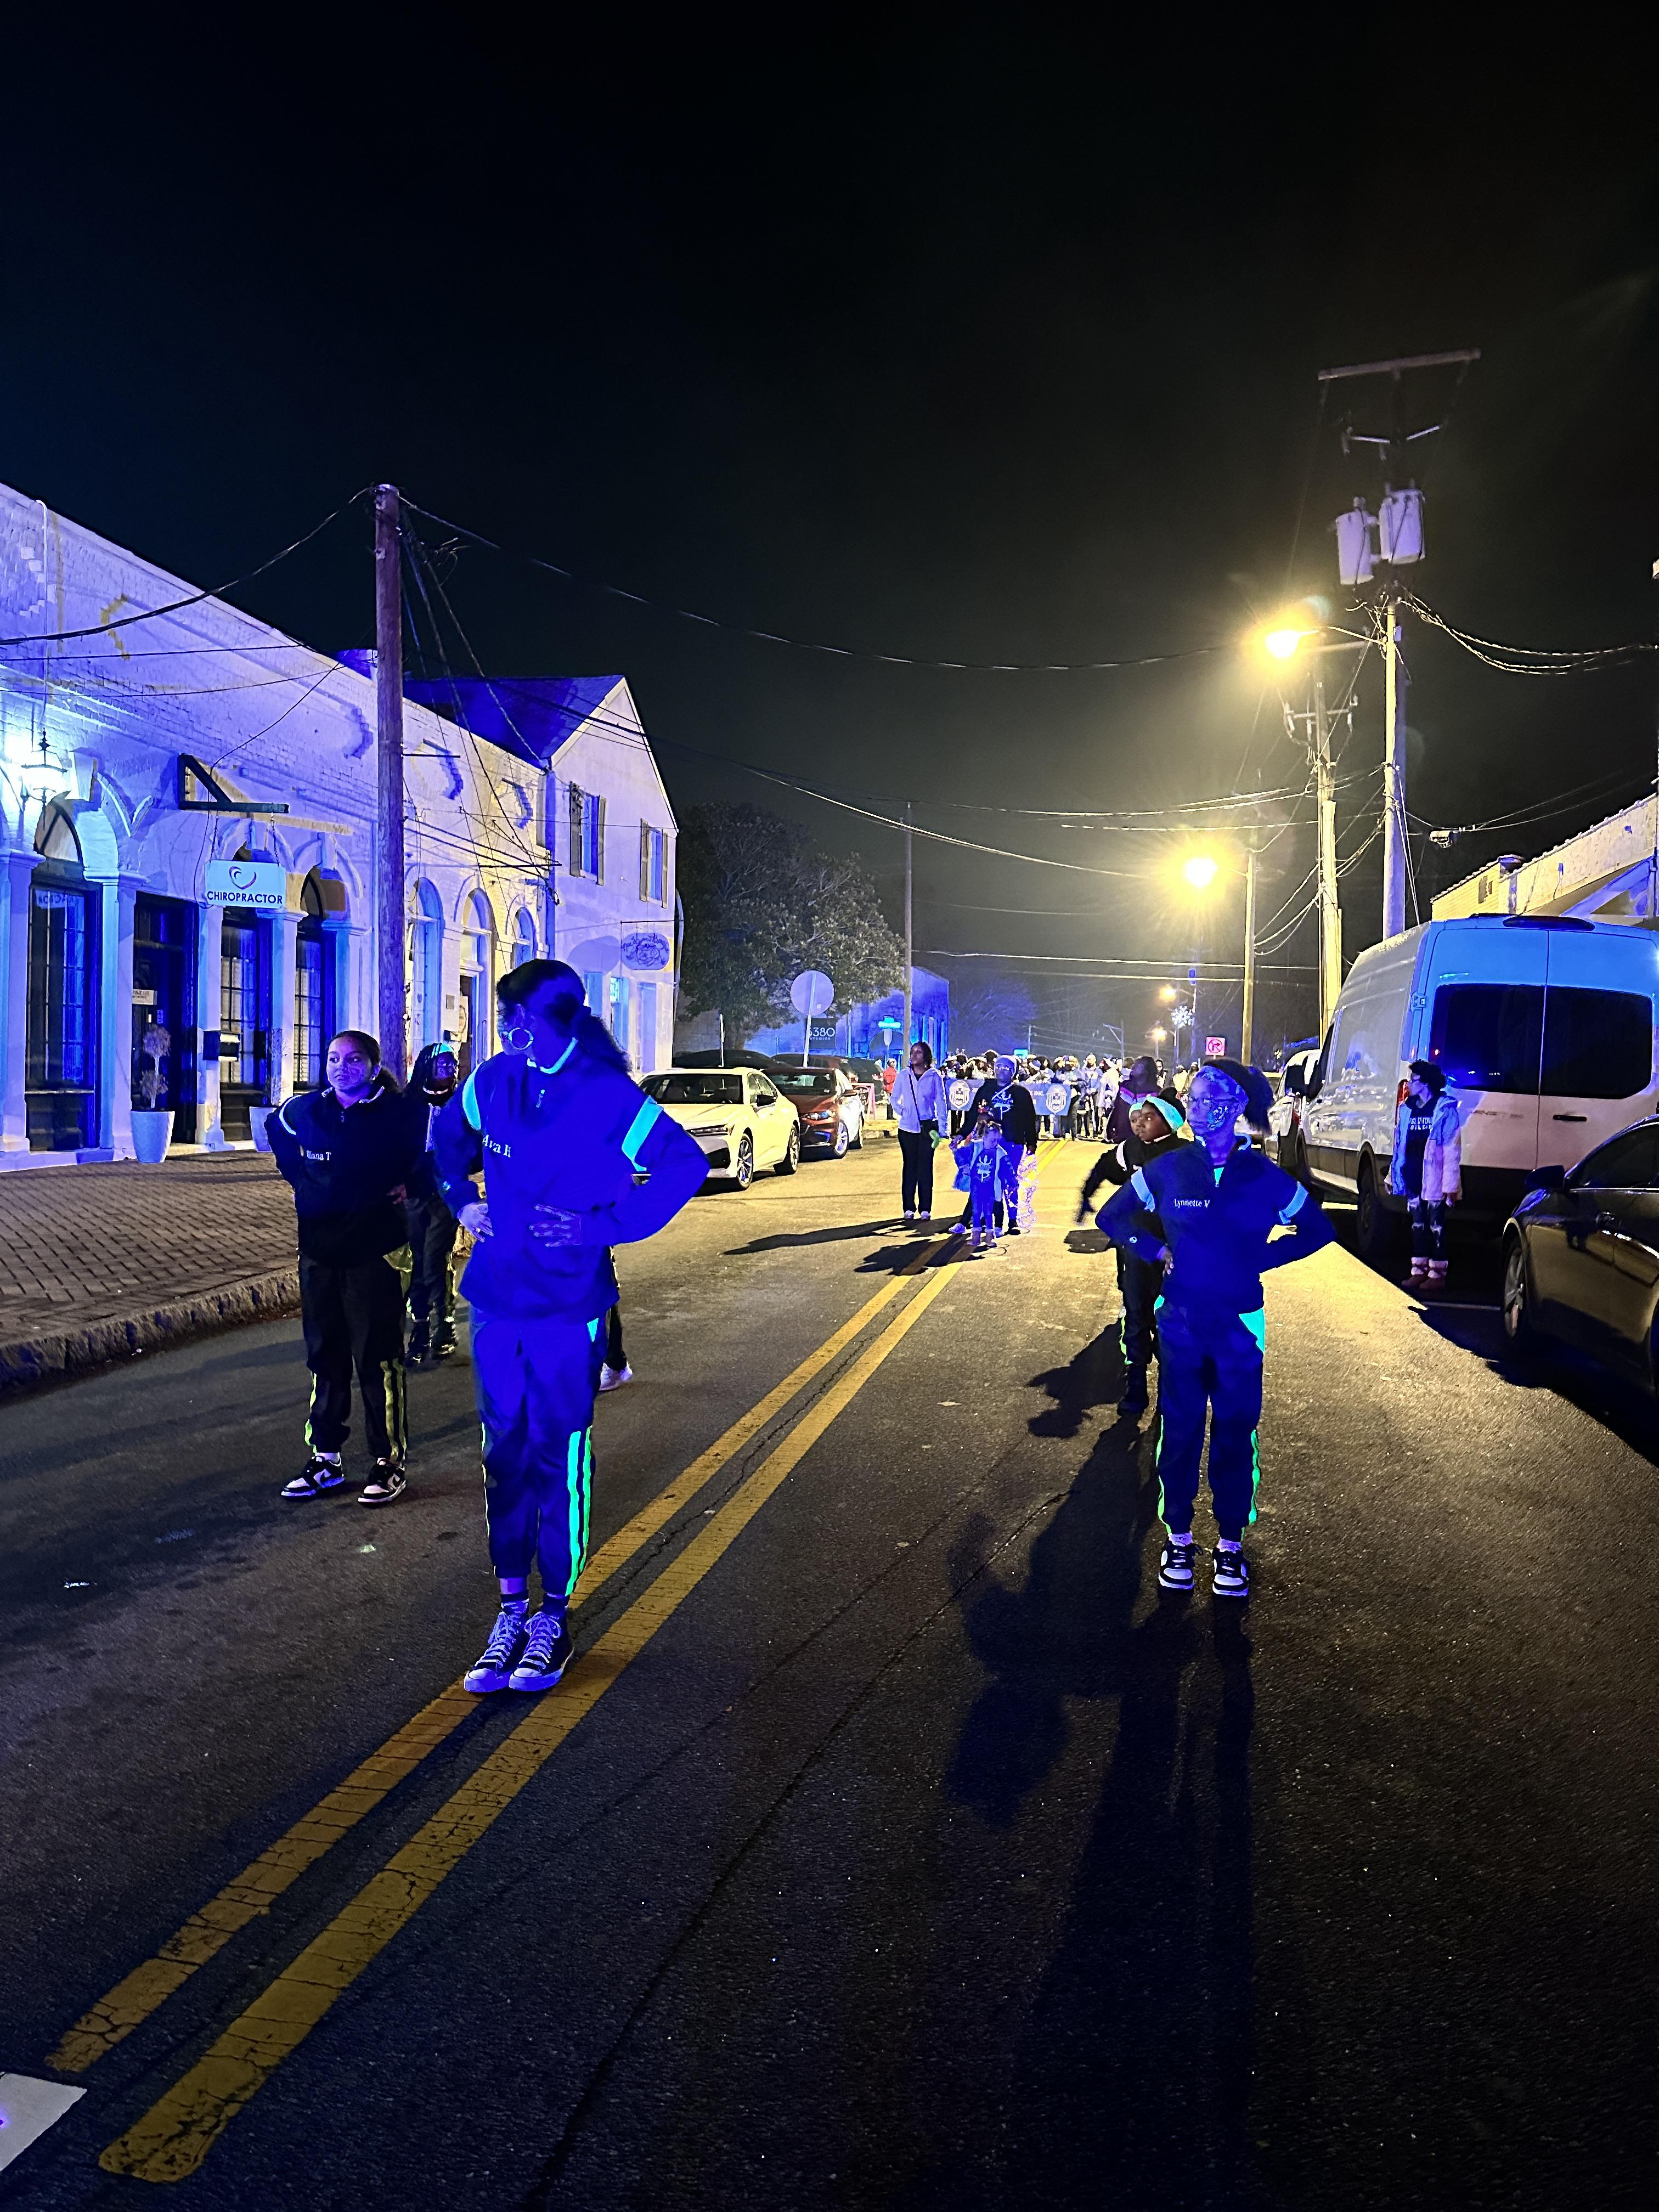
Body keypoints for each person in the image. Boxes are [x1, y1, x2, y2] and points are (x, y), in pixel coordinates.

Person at [434, 960, 707, 1695]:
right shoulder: (492, 1081)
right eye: (503, 1015)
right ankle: (509, 1610)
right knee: (502, 1454)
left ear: (554, 1018)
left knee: (557, 1454)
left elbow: (682, 1165)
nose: (504, 1028)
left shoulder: (606, 1093)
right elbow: (446, 1141)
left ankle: (553, 1615)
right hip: (497, 1299)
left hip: (566, 1307)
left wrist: (599, 1227)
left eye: (516, 1016)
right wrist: (462, 1201)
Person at [1096, 1058, 1334, 1601]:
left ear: (1236, 1108)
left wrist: (1263, 1259)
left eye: (1208, 1100)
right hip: (1180, 1321)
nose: (1196, 1109)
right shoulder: (1170, 1168)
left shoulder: (1264, 1176)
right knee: (1179, 1431)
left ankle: (1230, 1545)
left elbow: (1318, 1229)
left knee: (1235, 1432)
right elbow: (1113, 1217)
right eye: (1194, 1099)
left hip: (1240, 1324)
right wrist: (1156, 1250)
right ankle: (1178, 1539)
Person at [267, 1030, 429, 1506]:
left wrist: (413, 1183)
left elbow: (444, 1153)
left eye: (354, 1059)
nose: (342, 1068)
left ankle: (389, 1460)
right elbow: (277, 1128)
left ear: (374, 1067)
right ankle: (326, 1459)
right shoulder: (309, 1110)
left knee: (377, 1358)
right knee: (325, 1355)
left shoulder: (400, 1113)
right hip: (319, 1253)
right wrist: (300, 1179)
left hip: (376, 1251)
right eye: (334, 1059)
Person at [1079, 1089, 1186, 1414]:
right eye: (1136, 1119)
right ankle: (1136, 1384)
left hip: (1175, 1254)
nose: (1139, 1124)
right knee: (1136, 1315)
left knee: (1172, 1320)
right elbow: (1104, 1167)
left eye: (1148, 1118)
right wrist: (1087, 1195)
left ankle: (1171, 1386)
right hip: (1137, 1250)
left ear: (1169, 1122)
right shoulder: (1130, 1150)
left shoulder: (1187, 1154)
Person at [405, 1041, 462, 1365]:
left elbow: (474, 1146)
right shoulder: (408, 1103)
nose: (450, 1069)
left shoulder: (460, 1103)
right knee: (416, 1259)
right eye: (443, 1064)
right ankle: (420, 1325)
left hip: (446, 1192)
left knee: (435, 1257)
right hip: (412, 1194)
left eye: (453, 1064)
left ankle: (445, 1324)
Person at [949, 1053, 1039, 1237]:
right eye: (999, 1067)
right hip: (988, 1143)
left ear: (1013, 1071)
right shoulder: (986, 1089)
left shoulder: (1021, 1093)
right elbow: (973, 1115)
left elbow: (1030, 1120)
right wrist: (961, 1134)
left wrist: (1031, 1143)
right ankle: (981, 1218)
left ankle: (1012, 1220)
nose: (1001, 1071)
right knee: (983, 1179)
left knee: (1009, 1182)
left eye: (1006, 1068)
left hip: (1012, 1144)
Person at [1390, 1059, 1462, 1286]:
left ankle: (1437, 1273)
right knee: (1418, 1225)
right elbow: (1399, 1145)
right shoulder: (1407, 1109)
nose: (1409, 1084)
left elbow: (1452, 1149)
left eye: (1414, 1080)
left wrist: (1450, 1186)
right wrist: (1393, 1176)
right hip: (1413, 1176)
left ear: (1426, 1083)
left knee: (1436, 1226)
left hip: (1434, 1179)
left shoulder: (1444, 1110)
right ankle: (1419, 1270)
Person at [894, 1039, 948, 1222]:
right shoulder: (904, 1075)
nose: (914, 1055)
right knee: (910, 1167)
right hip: (907, 1129)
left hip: (928, 1128)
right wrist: (904, 1111)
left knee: (925, 1168)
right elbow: (894, 1099)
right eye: (913, 1052)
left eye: (918, 1052)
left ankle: (925, 1208)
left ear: (926, 1055)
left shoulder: (934, 1076)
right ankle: (908, 1207)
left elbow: (941, 1102)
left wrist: (943, 1129)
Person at [955, 1105, 1018, 1251]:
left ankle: (991, 1234)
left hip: (992, 1188)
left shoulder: (1000, 1153)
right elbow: (963, 1155)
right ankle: (976, 1236)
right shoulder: (976, 1147)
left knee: (990, 1211)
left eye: (997, 1140)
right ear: (984, 1137)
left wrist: (1012, 1181)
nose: (995, 1142)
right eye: (992, 1139)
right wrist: (957, 1155)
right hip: (977, 1187)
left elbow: (1008, 1169)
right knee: (977, 1212)